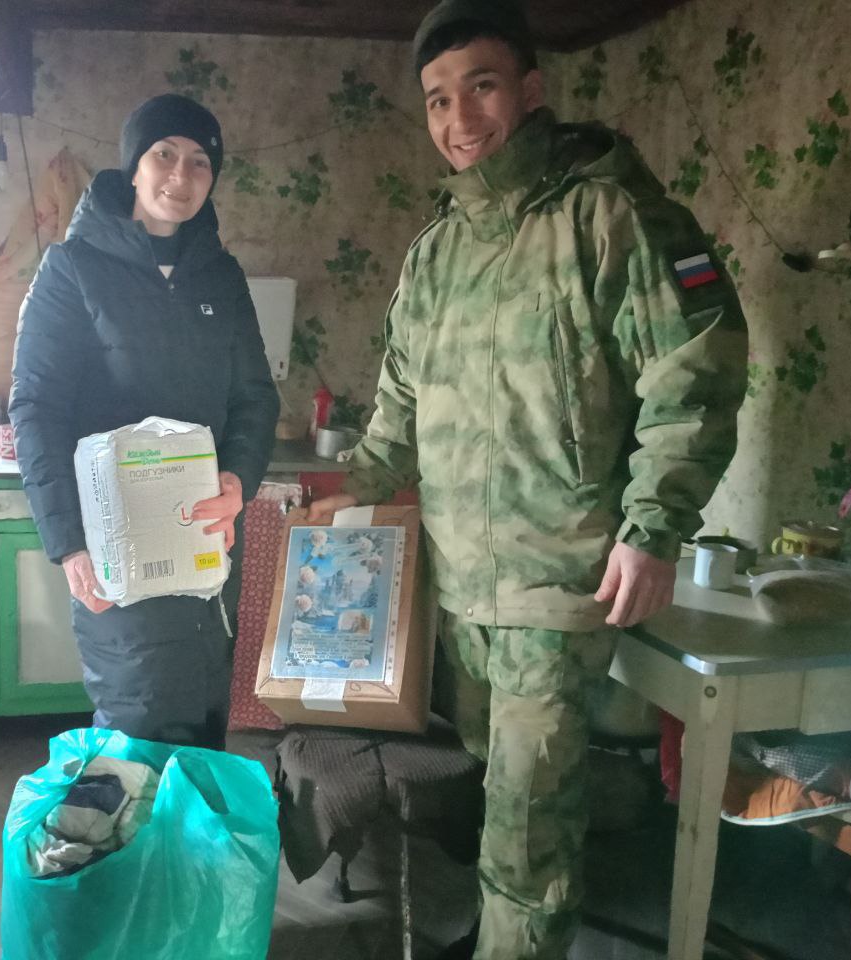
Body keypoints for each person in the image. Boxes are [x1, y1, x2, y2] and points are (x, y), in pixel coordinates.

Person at [307, 1, 749, 956]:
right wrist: (345, 495)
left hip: (558, 581)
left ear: (530, 89)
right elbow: (399, 407)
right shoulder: (436, 253)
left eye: (482, 86)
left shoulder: (610, 217)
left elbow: (694, 377)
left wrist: (652, 529)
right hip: (461, 586)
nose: (459, 119)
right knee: (503, 796)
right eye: (437, 99)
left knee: (526, 825)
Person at [10, 93, 279, 750]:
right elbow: (36, 410)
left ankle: (189, 824)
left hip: (208, 542)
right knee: (142, 716)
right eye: (164, 154)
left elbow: (255, 397)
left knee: (204, 715)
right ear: (134, 166)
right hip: (116, 546)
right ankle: (141, 822)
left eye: (199, 162)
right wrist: (69, 545)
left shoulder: (221, 276)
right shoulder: (73, 270)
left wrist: (238, 480)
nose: (181, 176)